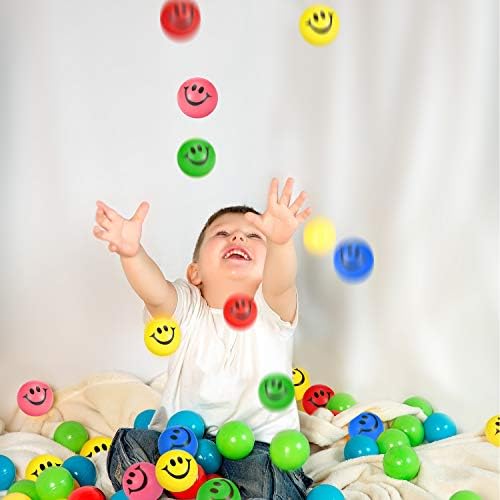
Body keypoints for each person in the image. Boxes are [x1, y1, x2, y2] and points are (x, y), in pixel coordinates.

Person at [93, 177, 313, 499]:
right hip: (182, 445)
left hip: (257, 448)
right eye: (222, 233)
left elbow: (281, 281)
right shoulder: (188, 308)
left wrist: (280, 243)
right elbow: (156, 294)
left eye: (255, 236)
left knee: (267, 476)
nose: (238, 236)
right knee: (130, 445)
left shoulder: (271, 309)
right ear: (195, 272)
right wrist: (132, 253)